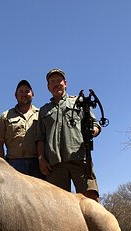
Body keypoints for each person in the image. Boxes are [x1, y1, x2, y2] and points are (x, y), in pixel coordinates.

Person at [36, 68, 101, 201]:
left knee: (90, 199)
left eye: (58, 80)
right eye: (52, 81)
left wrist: (93, 131)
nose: (56, 84)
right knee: (57, 207)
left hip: (80, 160)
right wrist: (41, 160)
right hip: (55, 165)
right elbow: (40, 138)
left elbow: (95, 124)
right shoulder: (43, 110)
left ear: (65, 83)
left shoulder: (79, 102)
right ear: (48, 87)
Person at [0, 80, 42, 178]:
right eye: (21, 91)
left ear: (33, 94)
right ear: (15, 95)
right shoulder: (5, 116)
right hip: (13, 164)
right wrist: (2, 166)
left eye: (27, 91)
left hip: (37, 164)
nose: (24, 94)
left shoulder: (41, 114)